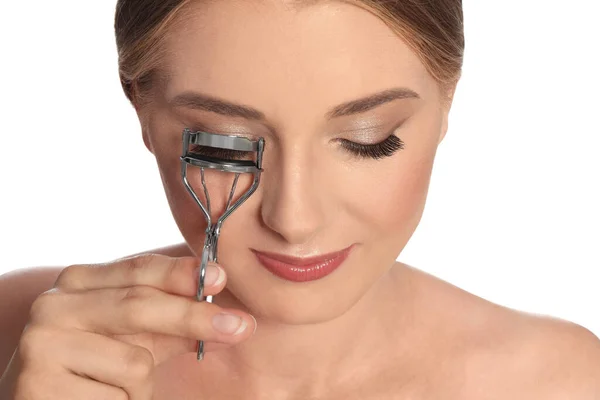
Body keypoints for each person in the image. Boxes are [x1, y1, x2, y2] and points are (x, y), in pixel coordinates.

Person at [1, 0, 599, 398]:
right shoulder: (25, 339)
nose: (294, 219)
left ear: (447, 102)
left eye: (368, 141)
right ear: (140, 110)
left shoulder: (560, 382)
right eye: (228, 147)